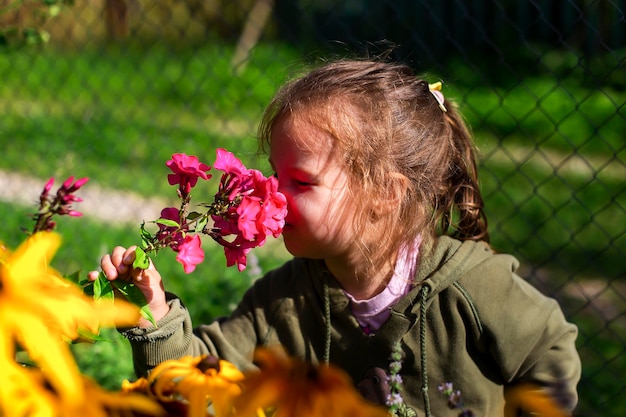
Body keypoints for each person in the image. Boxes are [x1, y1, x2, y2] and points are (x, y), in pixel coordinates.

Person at [89, 59, 581, 416]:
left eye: (299, 182)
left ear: (385, 195)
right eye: (273, 174)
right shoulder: (279, 301)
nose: (271, 194)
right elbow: (205, 384)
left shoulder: (475, 288)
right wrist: (153, 315)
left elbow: (551, 351)